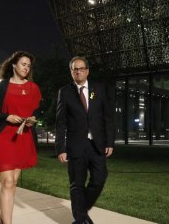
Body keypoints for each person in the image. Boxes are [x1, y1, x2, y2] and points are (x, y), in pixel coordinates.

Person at [56, 56, 115, 224]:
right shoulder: (65, 91)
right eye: (75, 69)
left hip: (97, 145)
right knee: (77, 185)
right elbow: (60, 123)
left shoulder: (100, 89)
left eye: (81, 68)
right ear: (71, 72)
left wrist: (110, 142)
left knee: (99, 178)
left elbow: (107, 117)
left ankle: (80, 212)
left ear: (87, 71)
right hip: (76, 146)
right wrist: (61, 148)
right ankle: (81, 219)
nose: (78, 71)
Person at [0, 51, 41, 224]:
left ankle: (4, 221)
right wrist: (6, 116)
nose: (26, 67)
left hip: (23, 137)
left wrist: (32, 120)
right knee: (8, 182)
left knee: (14, 182)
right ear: (13, 65)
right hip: (3, 136)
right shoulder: (2, 86)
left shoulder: (33, 88)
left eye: (28, 65)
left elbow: (35, 112)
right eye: (23, 64)